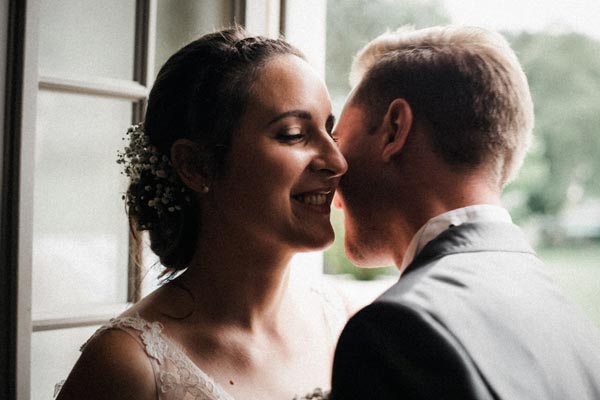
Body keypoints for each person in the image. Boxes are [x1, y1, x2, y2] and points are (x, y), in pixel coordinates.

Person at [55, 27, 349, 400]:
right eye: (293, 134)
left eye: (329, 131)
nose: (337, 161)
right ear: (196, 166)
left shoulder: (342, 320)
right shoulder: (128, 367)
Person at [329, 26, 600, 399]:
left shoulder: (398, 332)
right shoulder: (569, 317)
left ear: (394, 130)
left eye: (339, 143)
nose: (334, 195)